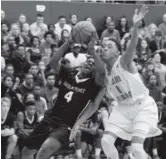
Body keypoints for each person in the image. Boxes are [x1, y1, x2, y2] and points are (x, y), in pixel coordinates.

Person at [21, 34, 106, 159]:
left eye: (93, 64)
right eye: (88, 61)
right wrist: (67, 44)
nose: (89, 64)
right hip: (50, 118)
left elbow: (102, 72)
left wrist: (93, 51)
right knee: (26, 152)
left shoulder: (94, 84)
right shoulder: (69, 73)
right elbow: (53, 62)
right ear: (82, 63)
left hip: (66, 125)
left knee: (44, 151)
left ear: (95, 71)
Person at [100, 5, 161, 159]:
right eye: (103, 46)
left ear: (117, 51)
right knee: (106, 141)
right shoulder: (103, 72)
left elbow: (132, 48)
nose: (104, 48)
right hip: (122, 109)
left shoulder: (124, 62)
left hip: (142, 107)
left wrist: (135, 27)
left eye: (109, 46)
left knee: (137, 148)